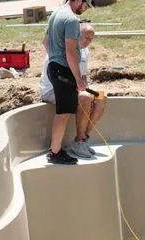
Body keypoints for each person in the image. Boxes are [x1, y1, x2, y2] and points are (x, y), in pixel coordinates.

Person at [39, 22, 107, 158]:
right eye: (86, 37)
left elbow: (83, 76)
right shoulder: (64, 49)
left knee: (102, 97)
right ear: (77, 34)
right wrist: (82, 91)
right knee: (85, 97)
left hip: (73, 87)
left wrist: (86, 88)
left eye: (91, 39)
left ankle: (83, 139)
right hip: (54, 89)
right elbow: (59, 78)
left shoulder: (85, 52)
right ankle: (80, 141)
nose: (88, 42)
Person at [42, 0, 93, 165]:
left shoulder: (56, 14)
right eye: (86, 5)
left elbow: (45, 42)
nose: (85, 9)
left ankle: (55, 151)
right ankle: (55, 152)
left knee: (63, 112)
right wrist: (79, 80)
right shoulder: (71, 20)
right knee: (63, 114)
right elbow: (71, 53)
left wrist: (54, 58)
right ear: (78, 0)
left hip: (54, 68)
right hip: (63, 70)